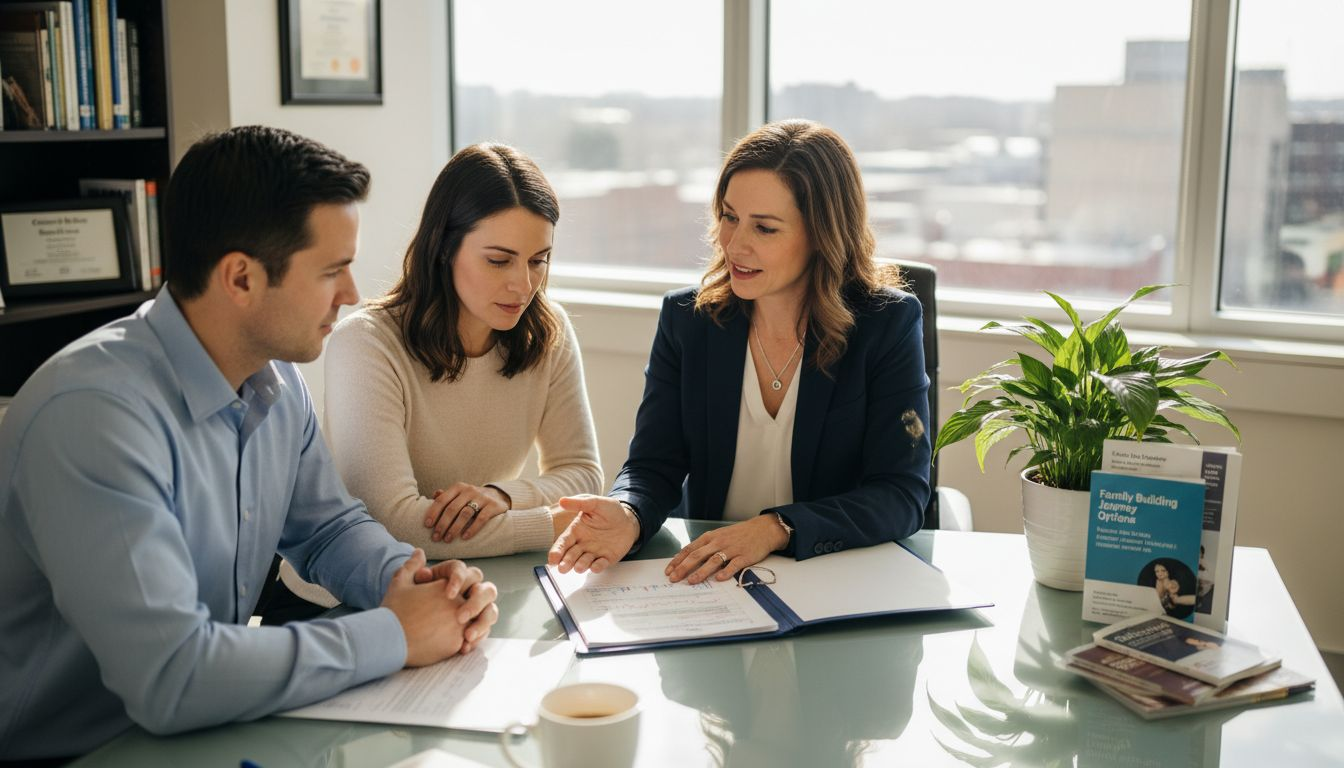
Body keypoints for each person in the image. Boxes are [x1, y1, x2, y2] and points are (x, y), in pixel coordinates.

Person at [0, 126, 498, 761]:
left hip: (208, 730)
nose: (351, 294)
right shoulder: (92, 418)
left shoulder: (275, 378)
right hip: (76, 753)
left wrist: (413, 581)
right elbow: (173, 677)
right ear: (240, 278)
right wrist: (394, 635)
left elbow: (326, 528)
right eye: (332, 271)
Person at [549, 120, 932, 583]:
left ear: (822, 235)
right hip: (713, 580)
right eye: (729, 217)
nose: (734, 244)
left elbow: (900, 493)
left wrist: (775, 528)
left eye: (765, 228)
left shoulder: (885, 325)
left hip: (833, 577)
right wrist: (629, 512)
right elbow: (654, 464)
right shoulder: (687, 321)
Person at [276, 144, 604, 610]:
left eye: (538, 260)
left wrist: (502, 497)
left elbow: (584, 476)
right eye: (499, 260)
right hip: (340, 606)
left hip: (465, 589)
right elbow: (392, 525)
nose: (523, 284)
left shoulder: (548, 332)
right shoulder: (366, 343)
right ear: (445, 248)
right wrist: (548, 523)